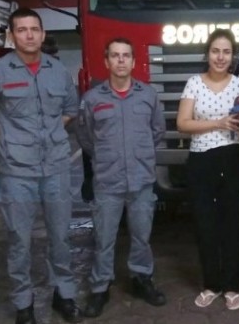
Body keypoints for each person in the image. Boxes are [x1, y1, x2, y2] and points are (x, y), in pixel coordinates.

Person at [0, 8, 82, 324]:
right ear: (12, 35)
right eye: (22, 30)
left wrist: (50, 133)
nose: (30, 35)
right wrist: (9, 136)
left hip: (57, 166)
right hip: (17, 170)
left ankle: (65, 295)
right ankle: (24, 304)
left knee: (60, 235)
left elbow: (71, 109)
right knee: (20, 238)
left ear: (43, 34)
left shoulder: (58, 71)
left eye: (35, 29)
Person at [76, 37, 167, 318]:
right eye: (114, 56)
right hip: (107, 181)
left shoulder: (148, 95)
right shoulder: (92, 99)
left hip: (141, 180)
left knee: (142, 235)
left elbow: (158, 132)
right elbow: (85, 137)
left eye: (125, 55)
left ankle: (141, 279)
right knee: (104, 238)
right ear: (106, 62)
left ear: (133, 61)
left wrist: (139, 157)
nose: (120, 60)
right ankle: (100, 288)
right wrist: (108, 158)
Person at [176, 28, 239, 311]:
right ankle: (211, 284)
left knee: (232, 223)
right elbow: (183, 123)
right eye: (216, 51)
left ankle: (232, 286)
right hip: (201, 160)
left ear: (233, 56)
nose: (221, 57)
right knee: (205, 223)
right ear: (207, 54)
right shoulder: (194, 83)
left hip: (234, 157)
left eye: (226, 52)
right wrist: (218, 123)